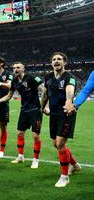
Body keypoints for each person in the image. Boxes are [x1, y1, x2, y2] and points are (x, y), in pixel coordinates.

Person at [0, 62, 43, 168]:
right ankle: (20, 156)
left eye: (18, 67)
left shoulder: (32, 78)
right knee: (20, 133)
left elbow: (44, 90)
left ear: (23, 68)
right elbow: (9, 96)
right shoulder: (14, 81)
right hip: (24, 110)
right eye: (14, 68)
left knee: (36, 136)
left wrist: (45, 106)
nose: (15, 69)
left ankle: (35, 160)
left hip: (35, 110)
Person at [41, 52, 81, 187]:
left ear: (64, 62)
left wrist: (69, 103)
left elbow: (70, 92)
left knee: (60, 144)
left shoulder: (70, 77)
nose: (56, 61)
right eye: (54, 59)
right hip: (54, 115)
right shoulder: (48, 77)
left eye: (59, 59)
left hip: (66, 113)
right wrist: (43, 108)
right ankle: (75, 165)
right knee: (55, 144)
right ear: (51, 63)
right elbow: (46, 95)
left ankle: (64, 177)